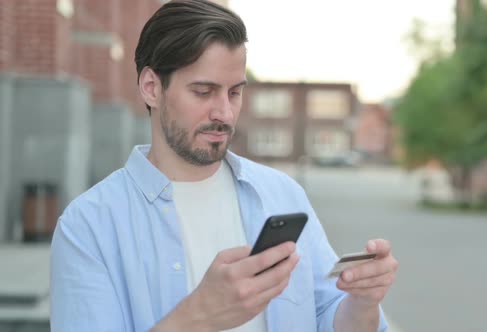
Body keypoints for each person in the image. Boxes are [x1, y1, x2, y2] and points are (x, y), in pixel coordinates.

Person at [50, 1, 398, 331]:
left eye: (234, 92)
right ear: (151, 87)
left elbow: (329, 316)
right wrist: (198, 316)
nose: (225, 113)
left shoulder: (282, 193)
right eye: (204, 91)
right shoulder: (88, 226)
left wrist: (362, 301)